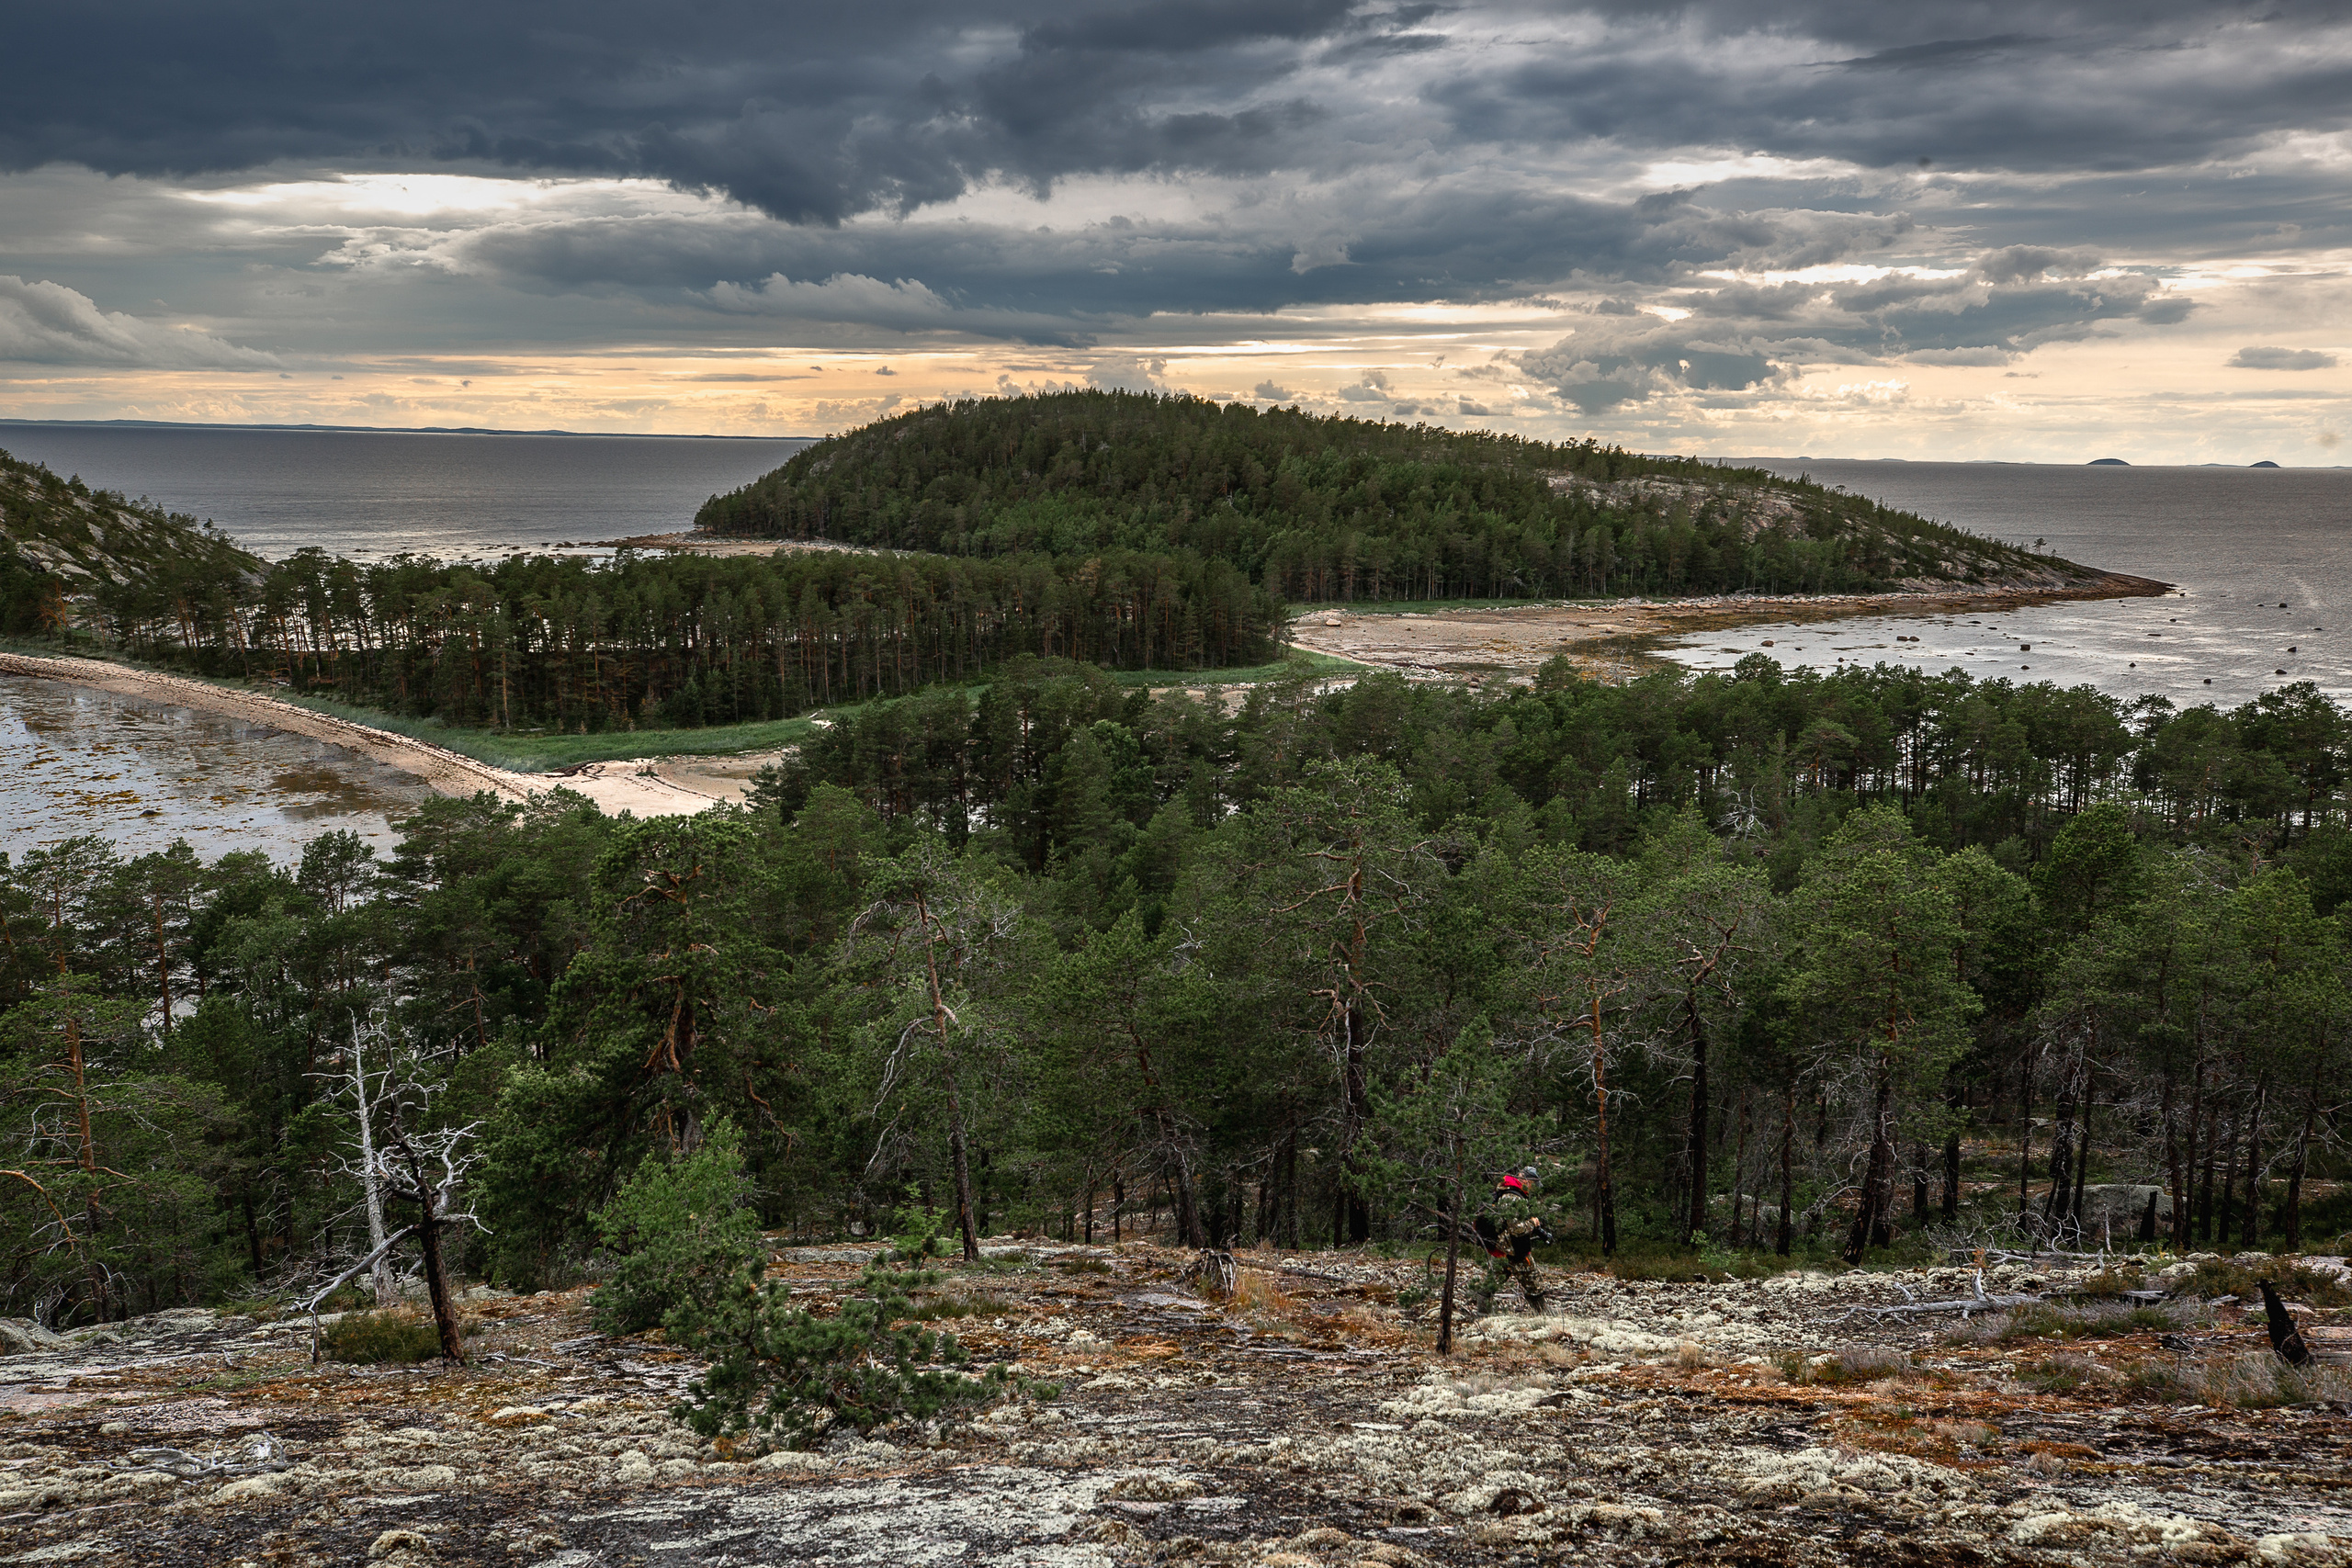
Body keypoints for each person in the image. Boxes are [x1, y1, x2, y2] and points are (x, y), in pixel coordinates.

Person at [1472, 1165, 1552, 1310]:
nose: (1533, 1188)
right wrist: (1532, 1223)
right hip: (1513, 1248)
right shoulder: (1513, 1197)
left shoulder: (1508, 1192)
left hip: (1502, 1248)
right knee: (1534, 1283)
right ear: (1526, 1180)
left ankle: (1481, 1314)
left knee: (1491, 1283)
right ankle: (1544, 1317)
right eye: (1533, 1184)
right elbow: (1516, 1229)